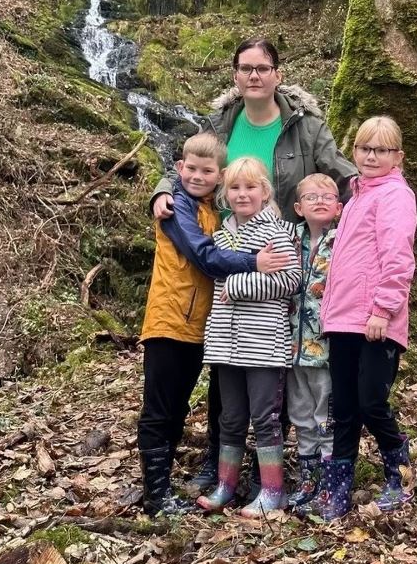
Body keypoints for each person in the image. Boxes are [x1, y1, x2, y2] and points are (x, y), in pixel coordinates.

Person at [151, 37, 357, 492]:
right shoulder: (224, 122)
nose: (254, 76)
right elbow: (193, 160)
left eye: (263, 68)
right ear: (236, 76)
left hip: (281, 248)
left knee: (272, 375)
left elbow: (339, 170)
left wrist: (366, 189)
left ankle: (276, 475)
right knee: (225, 374)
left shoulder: (304, 126)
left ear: (278, 74)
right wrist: (164, 189)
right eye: (246, 68)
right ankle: (218, 464)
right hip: (228, 250)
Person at [136, 133, 290, 515]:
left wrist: (238, 282)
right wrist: (253, 263)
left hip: (210, 330)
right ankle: (157, 495)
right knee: (163, 408)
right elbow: (205, 257)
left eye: (208, 171)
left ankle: (235, 483)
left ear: (217, 176)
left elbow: (284, 277)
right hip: (171, 321)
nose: (198, 176)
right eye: (191, 169)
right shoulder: (177, 208)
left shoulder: (217, 214)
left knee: (212, 410)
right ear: (179, 169)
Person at [313, 116, 417, 520]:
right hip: (342, 319)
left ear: (398, 156)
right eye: (364, 148)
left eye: (381, 150)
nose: (371, 156)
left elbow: (398, 258)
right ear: (353, 151)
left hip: (376, 321)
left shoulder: (395, 196)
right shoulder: (356, 196)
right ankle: (337, 489)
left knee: (371, 401)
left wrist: (382, 310)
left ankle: (399, 471)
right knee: (344, 408)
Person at [196, 157, 301, 518]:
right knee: (230, 417)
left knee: (265, 417)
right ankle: (226, 485)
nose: (243, 194)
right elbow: (212, 274)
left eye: (251, 187)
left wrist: (239, 284)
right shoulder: (222, 235)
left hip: (264, 344)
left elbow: (290, 280)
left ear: (264, 191)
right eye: (236, 188)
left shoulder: (277, 231)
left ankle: (272, 491)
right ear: (226, 193)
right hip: (225, 342)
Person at [286, 173, 342, 508]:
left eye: (327, 196)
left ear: (338, 206)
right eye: (311, 196)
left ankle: (329, 484)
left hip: (327, 349)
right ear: (297, 206)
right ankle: (307, 482)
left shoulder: (344, 239)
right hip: (291, 349)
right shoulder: (288, 238)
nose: (319, 201)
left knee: (327, 416)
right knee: (301, 415)